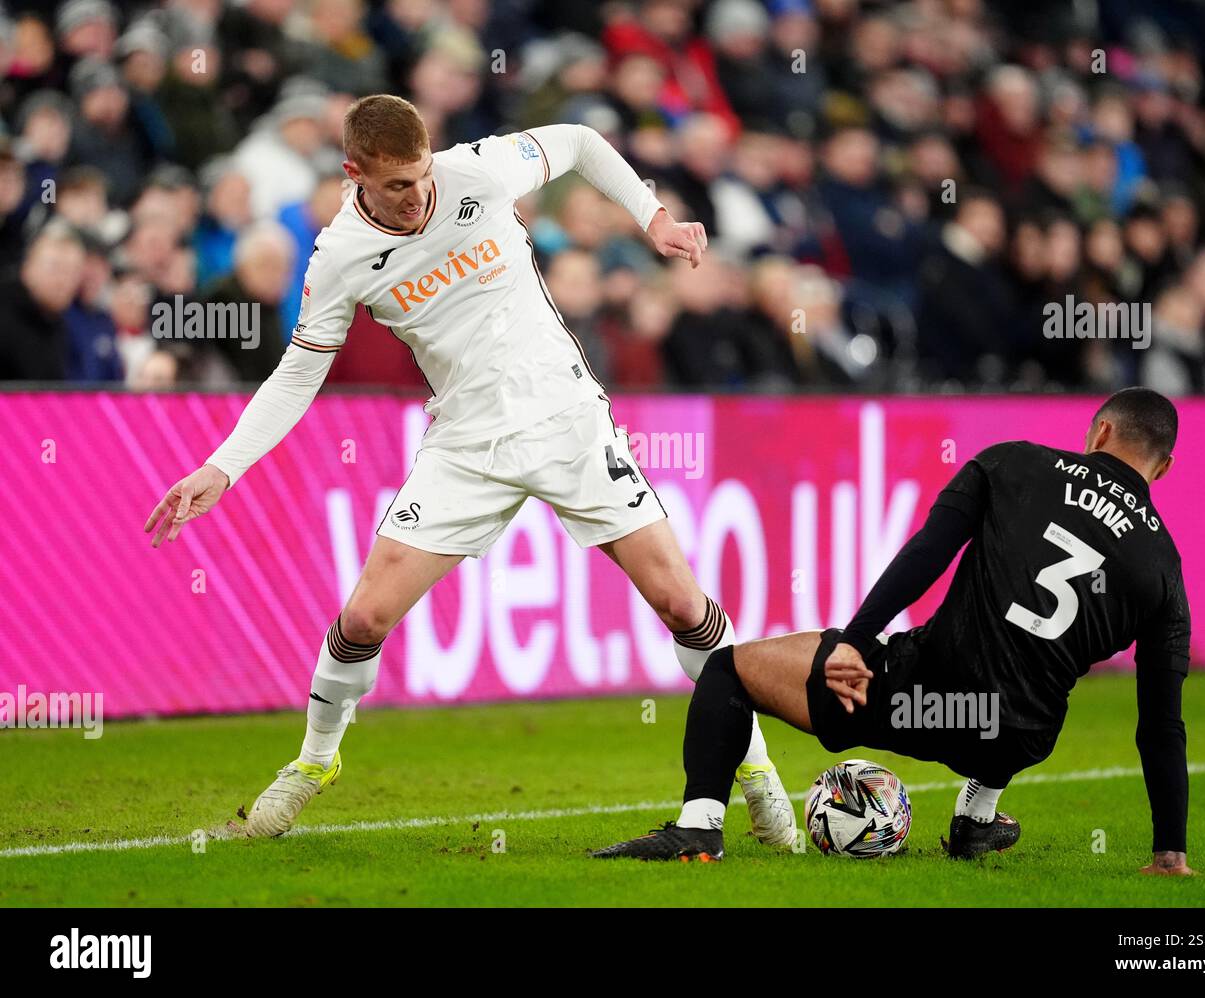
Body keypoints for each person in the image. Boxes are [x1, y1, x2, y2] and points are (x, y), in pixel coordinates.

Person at [144, 94, 797, 848]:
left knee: (683, 605)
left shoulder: (477, 170)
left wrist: (650, 216)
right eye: (396, 185)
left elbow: (583, 141)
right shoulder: (342, 256)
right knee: (363, 618)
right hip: (466, 446)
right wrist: (222, 467)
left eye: (422, 175)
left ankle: (757, 774)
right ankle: (313, 764)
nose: (418, 194)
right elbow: (299, 374)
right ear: (354, 173)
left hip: (567, 422)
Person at [592, 388, 1193, 876]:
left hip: (922, 700)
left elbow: (926, 554)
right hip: (1022, 735)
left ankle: (699, 826)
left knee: (728, 668)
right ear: (1163, 467)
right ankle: (976, 820)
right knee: (1028, 685)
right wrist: (1170, 850)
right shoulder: (1164, 566)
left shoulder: (1016, 462)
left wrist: (856, 639)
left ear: (1101, 433)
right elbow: (1161, 723)